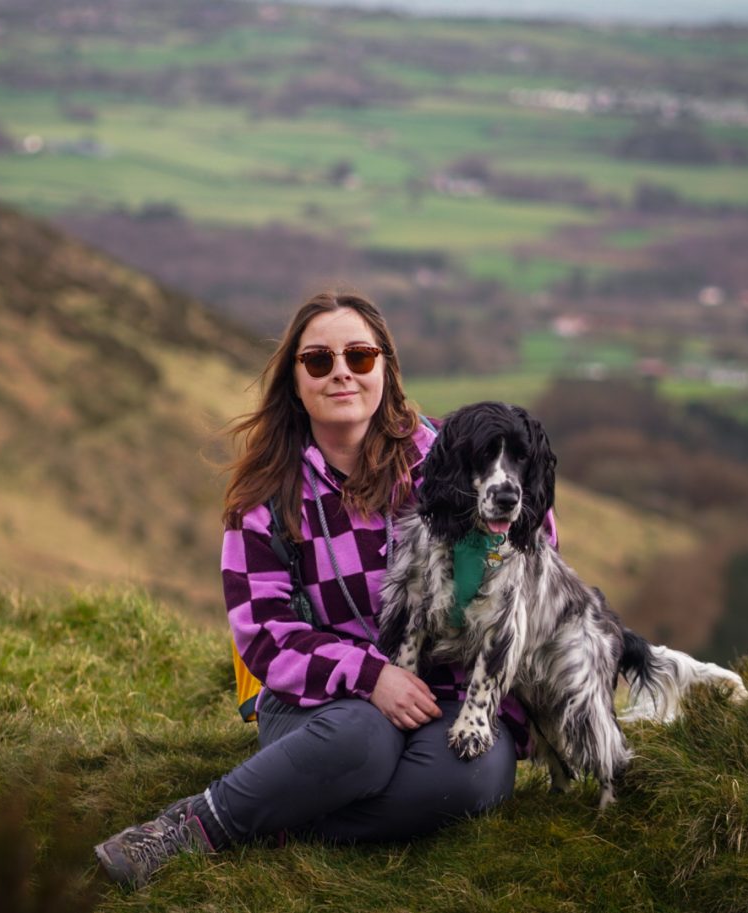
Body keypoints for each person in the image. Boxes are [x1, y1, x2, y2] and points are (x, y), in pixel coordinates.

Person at [95, 290, 543, 889]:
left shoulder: (454, 455)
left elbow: (533, 539)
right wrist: (371, 676)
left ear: (385, 367)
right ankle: (191, 826)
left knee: (471, 776)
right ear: (295, 379)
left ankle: (276, 817)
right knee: (363, 740)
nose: (340, 373)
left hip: (450, 693)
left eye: (359, 356)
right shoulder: (264, 497)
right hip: (319, 702)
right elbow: (264, 635)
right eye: (318, 360)